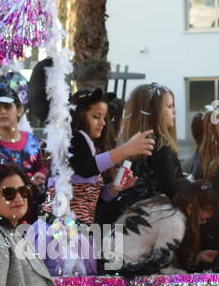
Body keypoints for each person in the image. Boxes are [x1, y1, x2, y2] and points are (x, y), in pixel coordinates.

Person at [63, 87, 154, 231]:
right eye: (96, 117)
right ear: (79, 115)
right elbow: (86, 168)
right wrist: (126, 149)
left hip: (82, 229)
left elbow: (96, 198)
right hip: (63, 229)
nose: (103, 123)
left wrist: (113, 188)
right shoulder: (72, 138)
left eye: (104, 117)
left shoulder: (88, 144)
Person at [101, 83, 184, 224]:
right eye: (169, 107)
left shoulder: (128, 145)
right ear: (154, 113)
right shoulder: (159, 146)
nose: (174, 111)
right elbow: (172, 189)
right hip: (150, 225)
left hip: (125, 220)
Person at [0, 78, 49, 222]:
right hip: (2, 222)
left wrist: (40, 174)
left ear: (19, 110)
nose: (2, 112)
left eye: (7, 106)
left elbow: (41, 166)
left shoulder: (32, 140)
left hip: (35, 218)